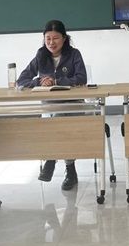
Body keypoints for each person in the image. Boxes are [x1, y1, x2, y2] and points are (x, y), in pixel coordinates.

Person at [17, 19, 87, 191]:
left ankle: (51, 159)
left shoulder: (74, 54)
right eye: (47, 38)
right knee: (57, 121)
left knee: (59, 121)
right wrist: (39, 81)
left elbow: (81, 78)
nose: (51, 43)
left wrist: (56, 81)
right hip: (50, 106)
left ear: (64, 38)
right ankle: (70, 171)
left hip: (73, 105)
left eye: (55, 38)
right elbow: (22, 80)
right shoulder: (41, 55)